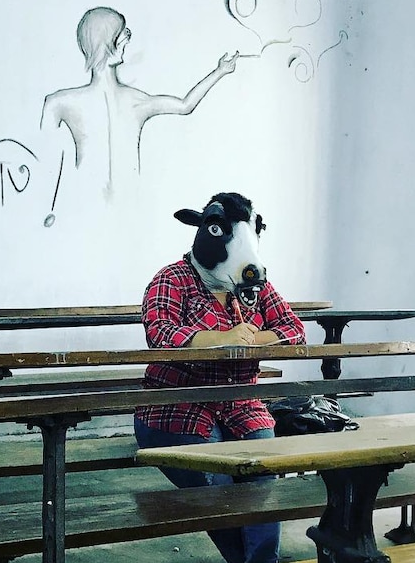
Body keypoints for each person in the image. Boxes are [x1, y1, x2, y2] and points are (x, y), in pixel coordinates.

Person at [133, 202, 305, 563]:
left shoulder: (252, 283)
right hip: (177, 409)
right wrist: (222, 337)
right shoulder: (172, 279)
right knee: (219, 488)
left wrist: (252, 340)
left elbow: (294, 329)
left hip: (243, 406)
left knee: (262, 479)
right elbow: (161, 334)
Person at [40, 7, 239, 195]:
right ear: (105, 42)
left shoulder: (60, 102)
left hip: (120, 206)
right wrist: (220, 71)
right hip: (98, 207)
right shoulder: (60, 103)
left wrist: (220, 71)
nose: (127, 37)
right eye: (120, 33)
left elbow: (185, 106)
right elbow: (45, 162)